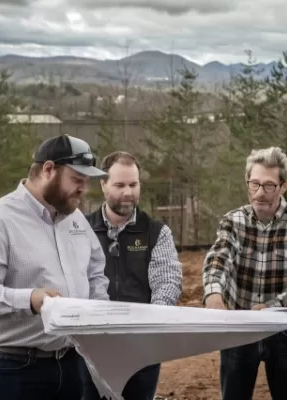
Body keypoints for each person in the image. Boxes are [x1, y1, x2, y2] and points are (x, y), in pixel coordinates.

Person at [0, 134, 111, 400]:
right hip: (12, 371)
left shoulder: (76, 220)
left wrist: (99, 312)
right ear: (48, 170)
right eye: (77, 180)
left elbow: (95, 272)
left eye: (86, 182)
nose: (84, 189)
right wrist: (29, 299)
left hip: (70, 365)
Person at [203, 147, 287, 400]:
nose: (259, 193)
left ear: (284, 185)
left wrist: (271, 308)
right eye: (254, 184)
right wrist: (213, 291)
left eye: (268, 186)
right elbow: (219, 256)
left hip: (285, 331)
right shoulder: (233, 220)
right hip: (239, 328)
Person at [79, 151, 183, 400]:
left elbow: (167, 280)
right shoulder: (81, 229)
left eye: (133, 185)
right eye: (120, 185)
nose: (128, 192)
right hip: (91, 347)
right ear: (103, 185)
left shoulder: (156, 232)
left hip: (141, 349)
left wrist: (152, 321)